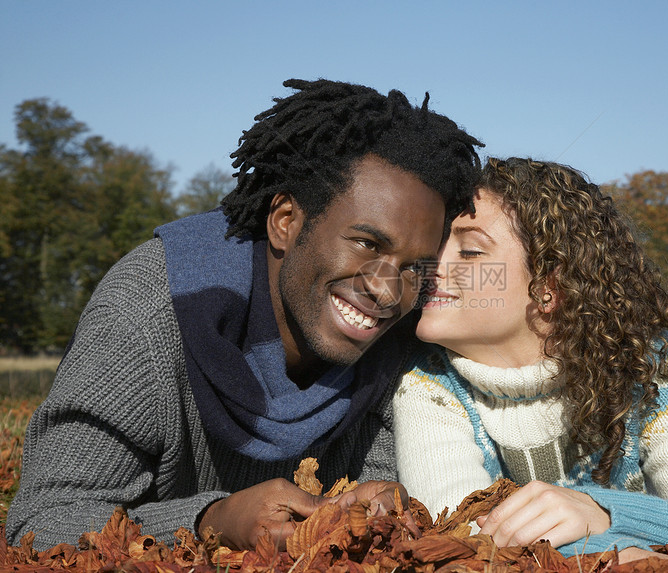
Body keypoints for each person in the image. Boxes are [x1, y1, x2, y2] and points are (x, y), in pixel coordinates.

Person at [6, 79, 483, 551]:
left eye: (414, 267)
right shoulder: (145, 315)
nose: (385, 290)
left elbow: (378, 488)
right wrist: (208, 521)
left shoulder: (401, 341)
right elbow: (43, 520)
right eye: (366, 243)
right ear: (285, 221)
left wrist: (385, 506)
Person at [393, 157, 668, 562]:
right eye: (438, 245)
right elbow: (461, 543)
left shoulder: (645, 362)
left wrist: (605, 513)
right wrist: (640, 559)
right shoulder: (425, 382)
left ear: (549, 287)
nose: (431, 268)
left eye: (471, 252)